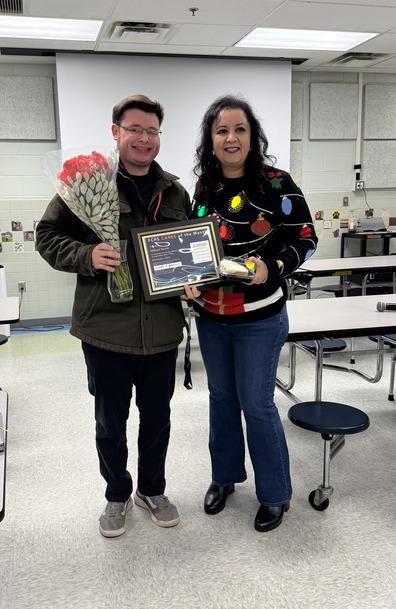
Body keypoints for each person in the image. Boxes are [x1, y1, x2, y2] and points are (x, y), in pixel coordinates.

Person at [36, 94, 191, 537]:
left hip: (162, 330)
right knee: (110, 422)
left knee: (158, 419)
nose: (144, 139)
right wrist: (87, 254)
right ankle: (117, 495)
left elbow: (186, 251)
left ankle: (152, 489)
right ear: (116, 132)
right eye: (135, 129)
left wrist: (190, 277)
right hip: (106, 329)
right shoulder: (87, 180)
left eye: (152, 131)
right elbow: (46, 235)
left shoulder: (175, 191)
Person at [183, 94, 317, 532]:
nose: (231, 137)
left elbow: (305, 238)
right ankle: (224, 478)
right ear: (211, 139)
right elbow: (193, 249)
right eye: (221, 130)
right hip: (212, 316)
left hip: (260, 317)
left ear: (252, 136)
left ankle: (275, 494)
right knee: (221, 400)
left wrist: (272, 268)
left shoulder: (277, 184)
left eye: (239, 129)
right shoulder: (203, 189)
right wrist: (185, 280)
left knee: (257, 405)